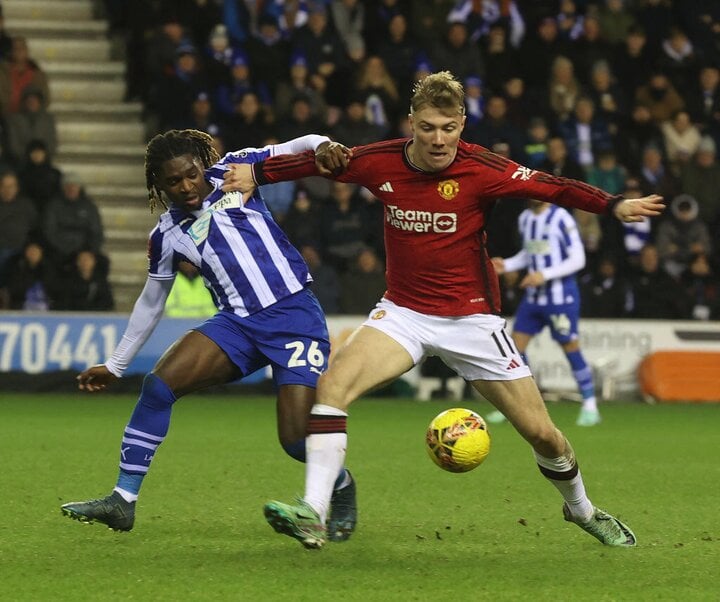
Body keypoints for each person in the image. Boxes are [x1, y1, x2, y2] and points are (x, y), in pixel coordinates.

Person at [222, 71, 665, 550]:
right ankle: (314, 512)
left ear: (462, 125)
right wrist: (258, 173)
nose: (438, 140)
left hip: (472, 320)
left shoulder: (483, 169)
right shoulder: (381, 161)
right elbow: (324, 162)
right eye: (428, 127)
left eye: (449, 128)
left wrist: (613, 204)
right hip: (404, 313)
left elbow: (552, 187)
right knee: (332, 387)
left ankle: (581, 509)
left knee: (545, 436)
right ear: (411, 122)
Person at [60, 129, 358, 543]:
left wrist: (323, 144)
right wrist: (116, 364)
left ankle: (340, 485)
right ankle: (122, 499)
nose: (185, 187)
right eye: (173, 181)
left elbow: (295, 146)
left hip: (294, 317)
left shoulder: (236, 170)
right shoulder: (166, 235)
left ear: (203, 166)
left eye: (191, 175)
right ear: (158, 186)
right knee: (158, 386)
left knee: (294, 440)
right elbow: (151, 303)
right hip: (235, 325)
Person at [486, 199, 601, 427]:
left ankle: (590, 405)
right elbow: (530, 254)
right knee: (514, 349)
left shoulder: (561, 217)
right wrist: (507, 265)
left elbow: (578, 259)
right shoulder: (525, 218)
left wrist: (544, 275)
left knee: (570, 346)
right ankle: (517, 404)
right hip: (533, 297)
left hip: (560, 298)